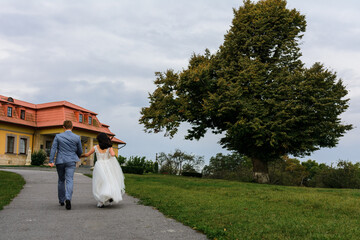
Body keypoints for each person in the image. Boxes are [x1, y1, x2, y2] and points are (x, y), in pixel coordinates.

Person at [81, 132, 125, 208]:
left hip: (99, 166)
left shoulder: (95, 147)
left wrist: (79, 155)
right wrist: (110, 145)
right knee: (110, 181)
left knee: (99, 183)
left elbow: (87, 154)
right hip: (108, 165)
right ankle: (109, 195)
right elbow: (113, 155)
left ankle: (101, 201)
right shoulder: (109, 147)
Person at [49, 120, 82, 210]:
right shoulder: (77, 137)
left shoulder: (58, 136)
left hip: (60, 161)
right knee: (69, 180)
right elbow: (80, 151)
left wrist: (51, 160)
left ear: (63, 127)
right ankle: (68, 198)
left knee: (61, 180)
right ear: (72, 127)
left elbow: (53, 148)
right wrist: (76, 156)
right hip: (71, 161)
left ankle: (61, 200)